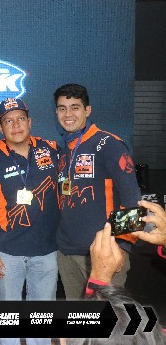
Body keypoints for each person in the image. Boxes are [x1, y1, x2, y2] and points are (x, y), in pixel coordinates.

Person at [0, 98, 60, 345]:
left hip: (47, 251)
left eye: (20, 119)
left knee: (41, 320)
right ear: (0, 128)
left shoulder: (51, 150)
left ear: (30, 122)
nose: (16, 125)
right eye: (8, 121)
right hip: (7, 252)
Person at [54, 83, 141, 299]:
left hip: (103, 255)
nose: (68, 114)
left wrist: (123, 245)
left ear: (88, 110)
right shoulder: (65, 152)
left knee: (105, 317)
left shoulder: (108, 144)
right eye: (62, 108)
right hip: (67, 253)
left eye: (75, 107)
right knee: (78, 318)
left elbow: (132, 198)